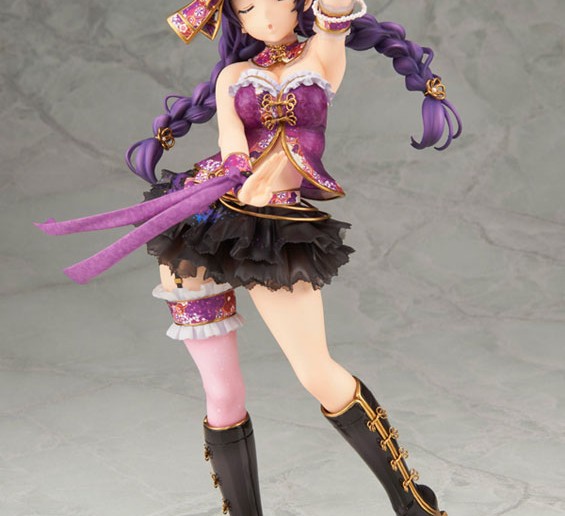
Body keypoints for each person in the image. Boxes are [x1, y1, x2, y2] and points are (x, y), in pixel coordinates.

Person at [35, 0, 461, 514]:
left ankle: (414, 504)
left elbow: (335, 16)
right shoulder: (233, 76)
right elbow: (229, 137)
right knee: (222, 394)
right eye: (247, 7)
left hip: (276, 229)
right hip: (201, 223)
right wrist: (239, 167)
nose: (264, 16)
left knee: (315, 370)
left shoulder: (320, 58)